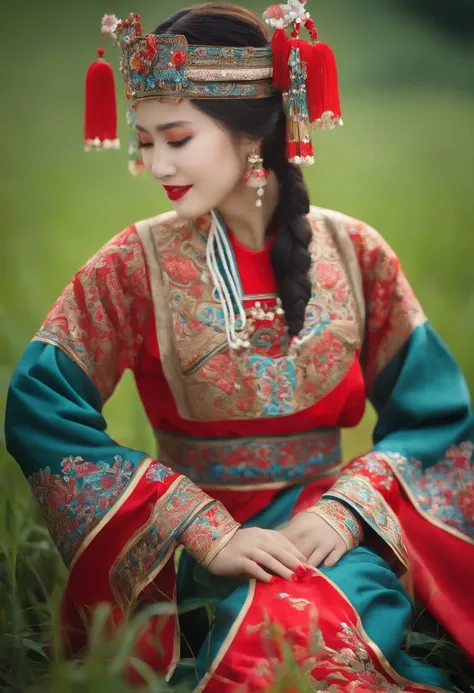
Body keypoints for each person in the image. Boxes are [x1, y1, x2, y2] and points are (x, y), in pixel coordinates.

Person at [5, 3, 474, 691]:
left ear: (252, 138)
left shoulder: (356, 252)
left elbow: (438, 421)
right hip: (193, 552)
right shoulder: (131, 265)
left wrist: (346, 511)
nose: (154, 162)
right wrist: (200, 527)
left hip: (329, 540)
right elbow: (39, 404)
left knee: (314, 621)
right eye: (144, 141)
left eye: (176, 137)